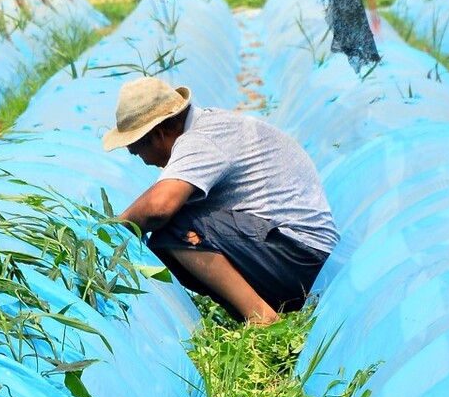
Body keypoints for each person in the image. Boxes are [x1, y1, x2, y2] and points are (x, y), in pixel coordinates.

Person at [104, 76, 338, 325]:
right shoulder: (208, 128)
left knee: (173, 224)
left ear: (159, 133)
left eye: (137, 151)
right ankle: (258, 312)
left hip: (301, 257)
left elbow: (159, 207)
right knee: (170, 238)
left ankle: (262, 319)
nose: (144, 161)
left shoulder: (201, 140)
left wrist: (111, 229)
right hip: (296, 256)